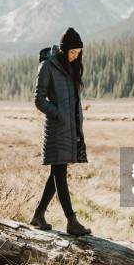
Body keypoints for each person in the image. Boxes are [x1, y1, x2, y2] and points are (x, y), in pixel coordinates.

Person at [30, 27, 91, 236]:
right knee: (59, 174)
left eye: (78, 53)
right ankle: (71, 221)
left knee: (56, 174)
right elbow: (38, 99)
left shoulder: (70, 68)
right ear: (64, 50)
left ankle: (38, 215)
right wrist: (59, 114)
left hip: (69, 129)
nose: (75, 57)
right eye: (73, 52)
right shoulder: (47, 66)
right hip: (56, 130)